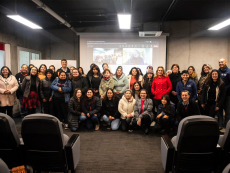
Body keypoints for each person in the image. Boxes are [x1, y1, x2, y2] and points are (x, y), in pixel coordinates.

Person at [218, 58, 230, 130]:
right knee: (219, 110)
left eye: (222, 62)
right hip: (219, 96)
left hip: (227, 95)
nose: (220, 63)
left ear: (225, 62)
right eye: (219, 62)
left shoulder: (229, 71)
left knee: (227, 111)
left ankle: (227, 126)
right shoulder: (217, 71)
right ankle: (220, 125)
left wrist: (224, 90)